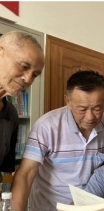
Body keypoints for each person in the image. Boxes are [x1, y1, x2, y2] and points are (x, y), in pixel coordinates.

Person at [11, 70, 104, 211]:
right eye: (82, 109)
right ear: (68, 101)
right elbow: (26, 173)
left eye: (97, 108)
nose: (90, 117)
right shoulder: (47, 126)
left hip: (87, 210)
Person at [0, 31, 44, 183]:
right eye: (24, 66)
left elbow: (4, 171)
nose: (28, 79)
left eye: (35, 75)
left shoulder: (10, 114)